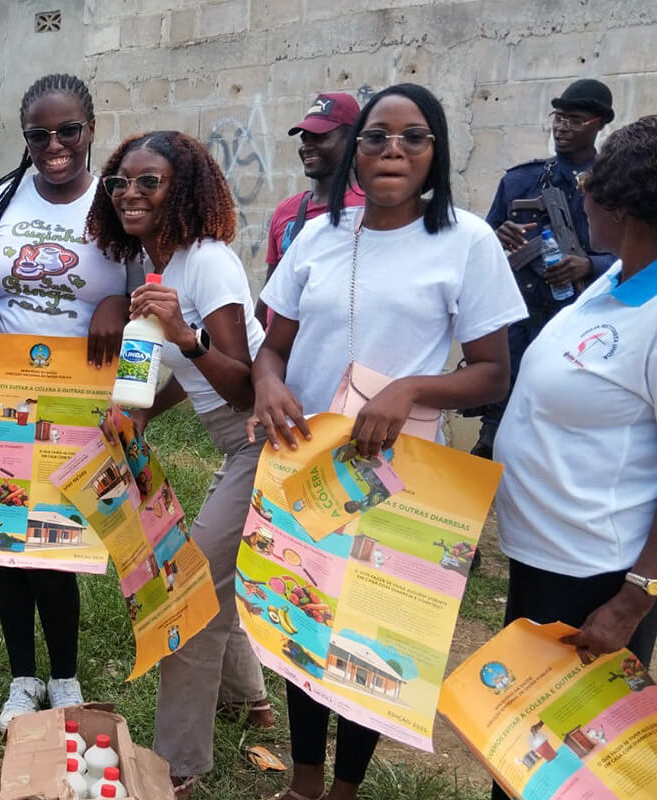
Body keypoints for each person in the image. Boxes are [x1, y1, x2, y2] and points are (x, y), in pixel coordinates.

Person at [247, 84, 526, 800]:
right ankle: (304, 782)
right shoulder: (318, 233)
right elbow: (273, 347)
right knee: (302, 619)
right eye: (376, 136)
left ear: (437, 152)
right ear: (354, 153)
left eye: (413, 137)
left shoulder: (467, 241)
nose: (393, 149)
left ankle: (345, 788)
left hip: (394, 470)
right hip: (306, 459)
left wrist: (412, 389)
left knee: (370, 632)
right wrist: (268, 385)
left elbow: (494, 372)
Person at [0, 73, 130, 732]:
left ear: (90, 129)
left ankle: (67, 678)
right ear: (26, 138)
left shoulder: (117, 207)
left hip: (79, 403)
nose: (54, 145)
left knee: (56, 543)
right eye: (38, 134)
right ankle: (24, 679)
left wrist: (119, 302)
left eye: (67, 130)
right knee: (2, 540)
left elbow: (161, 304)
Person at [86, 130, 271, 798]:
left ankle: (178, 767)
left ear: (182, 189)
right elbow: (169, 378)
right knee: (209, 574)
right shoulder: (148, 268)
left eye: (149, 182)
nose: (130, 194)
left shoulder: (209, 262)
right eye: (120, 183)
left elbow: (245, 384)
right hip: (234, 442)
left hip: (261, 438)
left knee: (188, 594)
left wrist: (186, 337)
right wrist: (136, 417)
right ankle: (251, 702)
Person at [492, 116, 657, 800]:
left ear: (616, 208)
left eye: (587, 185)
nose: (579, 195)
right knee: (524, 749)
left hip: (596, 573)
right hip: (544, 557)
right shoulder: (617, 277)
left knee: (569, 768)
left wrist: (634, 600)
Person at [471, 78, 616, 458]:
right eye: (558, 117)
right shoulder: (521, 179)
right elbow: (480, 242)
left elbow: (638, 251)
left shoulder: (615, 183)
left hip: (584, 320)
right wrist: (498, 235)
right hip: (522, 319)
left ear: (600, 123)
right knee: (495, 427)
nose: (562, 127)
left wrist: (589, 265)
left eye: (575, 119)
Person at [256, 93, 364, 326]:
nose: (307, 146)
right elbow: (269, 295)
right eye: (305, 138)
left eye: (320, 137)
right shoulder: (287, 210)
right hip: (281, 356)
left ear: (353, 140)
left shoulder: (369, 209)